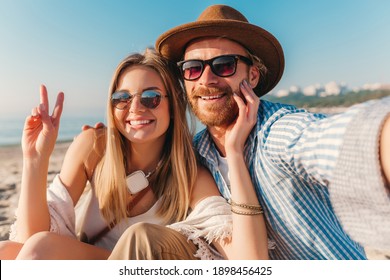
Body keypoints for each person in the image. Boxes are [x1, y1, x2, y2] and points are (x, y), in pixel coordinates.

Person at [152, 4, 390, 259]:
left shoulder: (277, 130)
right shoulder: (196, 152)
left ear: (252, 76)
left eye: (224, 65)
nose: (206, 79)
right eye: (193, 68)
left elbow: (339, 141)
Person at [0, 49, 269, 260]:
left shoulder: (188, 174)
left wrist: (233, 153)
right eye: (122, 98)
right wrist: (35, 160)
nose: (136, 108)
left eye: (151, 97)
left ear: (172, 105)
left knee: (41, 249)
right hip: (88, 259)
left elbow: (249, 260)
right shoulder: (94, 146)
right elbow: (27, 240)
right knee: (6, 252)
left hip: (138, 265)